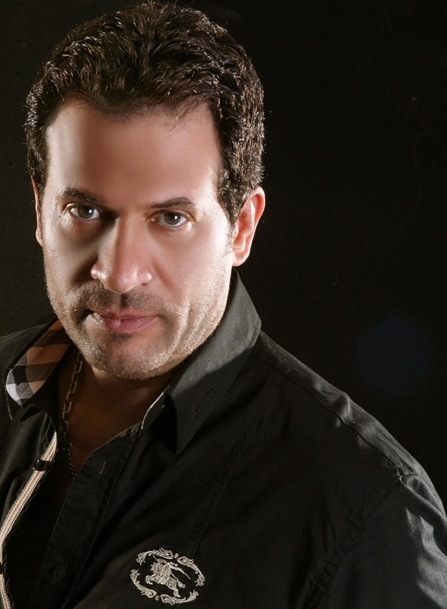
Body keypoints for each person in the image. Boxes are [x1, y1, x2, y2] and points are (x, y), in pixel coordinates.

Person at [0, 2, 446, 608]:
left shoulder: (364, 510)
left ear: (242, 228)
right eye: (85, 210)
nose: (119, 272)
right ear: (39, 210)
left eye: (170, 218)